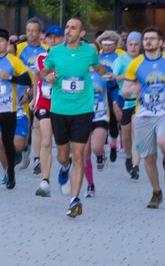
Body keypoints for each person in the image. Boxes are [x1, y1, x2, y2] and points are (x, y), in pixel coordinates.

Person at [40, 17, 105, 218]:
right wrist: (47, 77)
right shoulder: (56, 52)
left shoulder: (89, 52)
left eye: (73, 28)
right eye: (67, 27)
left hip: (83, 110)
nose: (68, 31)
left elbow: (98, 66)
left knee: (79, 154)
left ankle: (75, 200)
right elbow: (42, 72)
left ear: (81, 33)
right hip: (59, 110)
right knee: (62, 155)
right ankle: (64, 167)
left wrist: (110, 75)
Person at [123, 27, 165, 208]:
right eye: (146, 39)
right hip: (143, 114)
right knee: (149, 158)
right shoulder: (135, 65)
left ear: (160, 42)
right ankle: (156, 191)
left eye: (152, 39)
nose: (148, 42)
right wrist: (131, 89)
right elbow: (125, 90)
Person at [0, 29, 32, 190]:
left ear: (7, 43)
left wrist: (10, 77)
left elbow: (27, 78)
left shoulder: (13, 61)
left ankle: (11, 172)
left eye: (2, 41)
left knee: (7, 143)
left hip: (9, 109)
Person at [32, 24, 62, 197]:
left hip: (63, 105)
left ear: (62, 39)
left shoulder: (68, 58)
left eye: (56, 37)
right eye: (50, 37)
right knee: (46, 141)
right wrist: (34, 100)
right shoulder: (41, 57)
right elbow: (37, 77)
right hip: (44, 104)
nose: (53, 40)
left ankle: (65, 166)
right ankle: (45, 180)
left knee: (65, 145)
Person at [16, 18, 47, 172]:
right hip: (22, 92)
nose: (31, 33)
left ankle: (38, 159)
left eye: (34, 30)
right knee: (25, 124)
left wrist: (33, 91)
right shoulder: (19, 48)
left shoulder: (46, 50)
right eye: (28, 30)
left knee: (38, 125)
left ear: (40, 33)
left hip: (39, 91)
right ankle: (25, 152)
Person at [113, 31, 142, 179]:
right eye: (130, 44)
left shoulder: (144, 60)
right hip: (124, 101)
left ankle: (136, 166)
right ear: (127, 45)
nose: (133, 47)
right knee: (126, 134)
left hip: (139, 102)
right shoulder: (120, 60)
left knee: (136, 133)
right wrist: (126, 76)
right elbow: (113, 80)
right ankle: (128, 155)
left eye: (136, 44)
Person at [95, 30, 126, 166]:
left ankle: (114, 144)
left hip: (114, 89)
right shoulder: (97, 57)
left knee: (113, 118)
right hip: (99, 92)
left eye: (110, 44)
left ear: (115, 45)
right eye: (104, 44)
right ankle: (101, 147)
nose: (107, 47)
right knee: (100, 120)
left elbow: (126, 72)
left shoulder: (120, 56)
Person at [83, 67, 109, 198]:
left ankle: (101, 154)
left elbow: (115, 86)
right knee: (85, 152)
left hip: (100, 115)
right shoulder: (78, 71)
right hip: (82, 116)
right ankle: (90, 184)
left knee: (96, 147)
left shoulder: (103, 71)